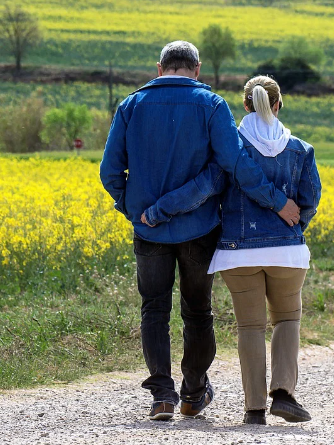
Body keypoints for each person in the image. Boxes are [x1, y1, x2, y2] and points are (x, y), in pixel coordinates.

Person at [99, 42, 301, 421]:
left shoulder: (130, 105)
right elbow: (234, 164)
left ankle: (162, 395)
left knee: (153, 309)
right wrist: (276, 201)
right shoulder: (211, 106)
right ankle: (193, 393)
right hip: (200, 228)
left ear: (159, 68)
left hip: (148, 231)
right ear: (198, 68)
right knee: (197, 311)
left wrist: (136, 211)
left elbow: (110, 172)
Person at [142, 75, 321, 425]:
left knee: (250, 328)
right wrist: (293, 230)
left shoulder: (231, 149)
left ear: (245, 105)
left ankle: (254, 409)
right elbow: (310, 200)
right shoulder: (301, 149)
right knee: (286, 318)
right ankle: (283, 393)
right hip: (287, 253)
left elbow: (203, 188)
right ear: (279, 104)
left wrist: (158, 211)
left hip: (238, 254)